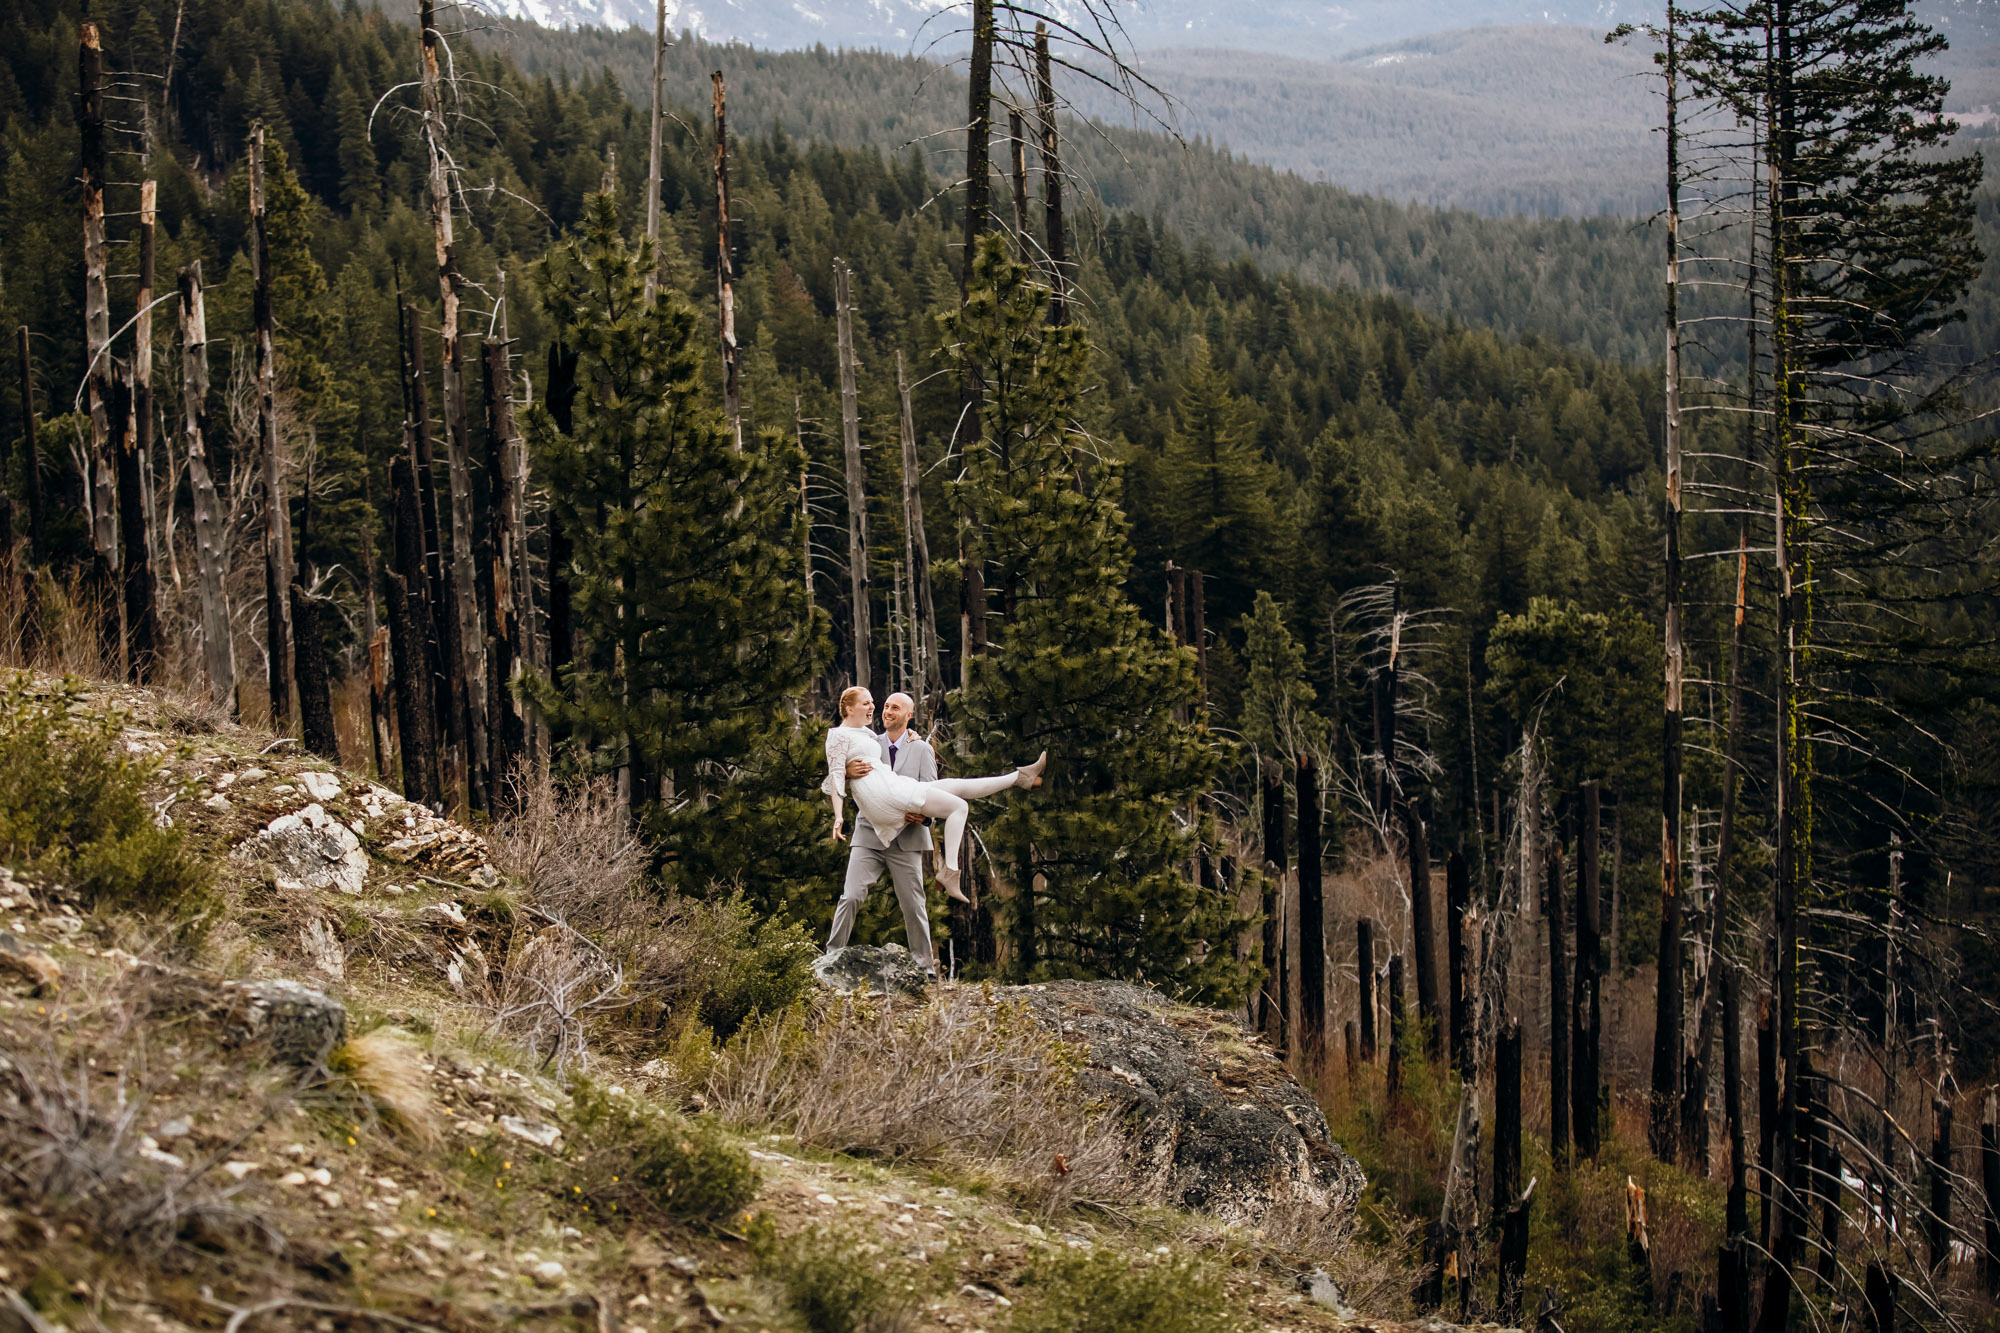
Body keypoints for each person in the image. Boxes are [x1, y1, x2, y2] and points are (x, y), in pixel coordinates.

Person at [823, 686, 1044, 901]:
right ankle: (950, 872)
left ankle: (1020, 777)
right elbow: (835, 772)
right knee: (960, 807)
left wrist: (909, 734)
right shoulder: (842, 736)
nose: (877, 707)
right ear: (850, 708)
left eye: (875, 702)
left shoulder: (871, 735)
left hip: (896, 792)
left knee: (955, 786)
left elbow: (888, 747)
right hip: (886, 799)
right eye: (868, 703)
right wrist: (841, 803)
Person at [824, 690, 942, 973]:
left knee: (913, 905)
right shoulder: (866, 740)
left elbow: (933, 793)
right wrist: (849, 772)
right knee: (850, 896)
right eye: (885, 706)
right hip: (868, 835)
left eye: (895, 708)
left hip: (907, 840)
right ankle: (831, 957)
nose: (887, 712)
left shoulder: (921, 749)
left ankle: (925, 968)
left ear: (909, 716)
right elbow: (835, 772)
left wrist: (924, 818)